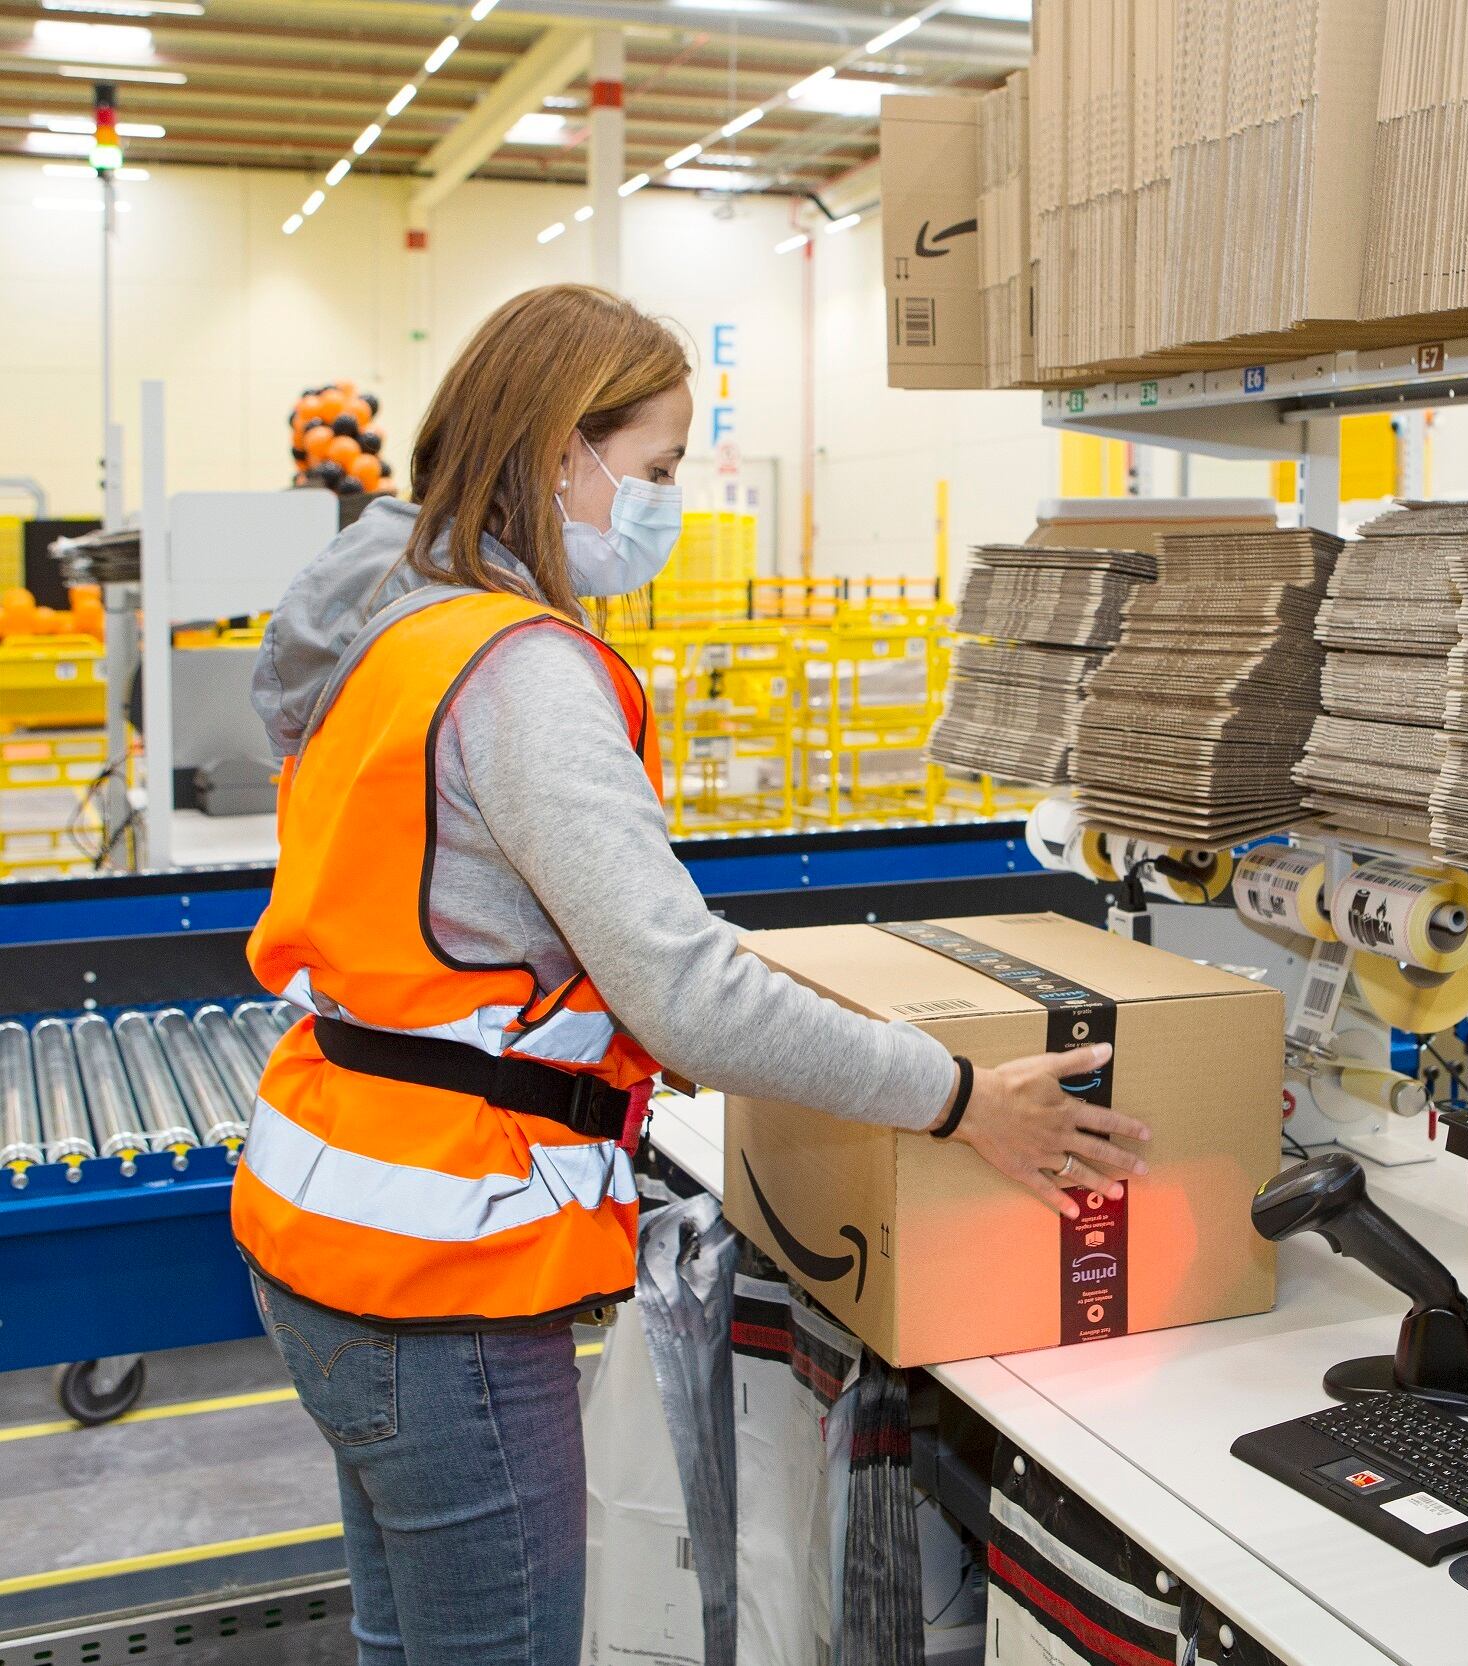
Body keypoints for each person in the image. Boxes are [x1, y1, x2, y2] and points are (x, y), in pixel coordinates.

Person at [231, 283, 1148, 1666]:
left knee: (400, 1640)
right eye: (655, 467)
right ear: (564, 452)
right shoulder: (518, 671)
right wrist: (964, 1098)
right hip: (442, 1276)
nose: (665, 501)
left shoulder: (391, 625)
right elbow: (689, 995)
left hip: (325, 1215)